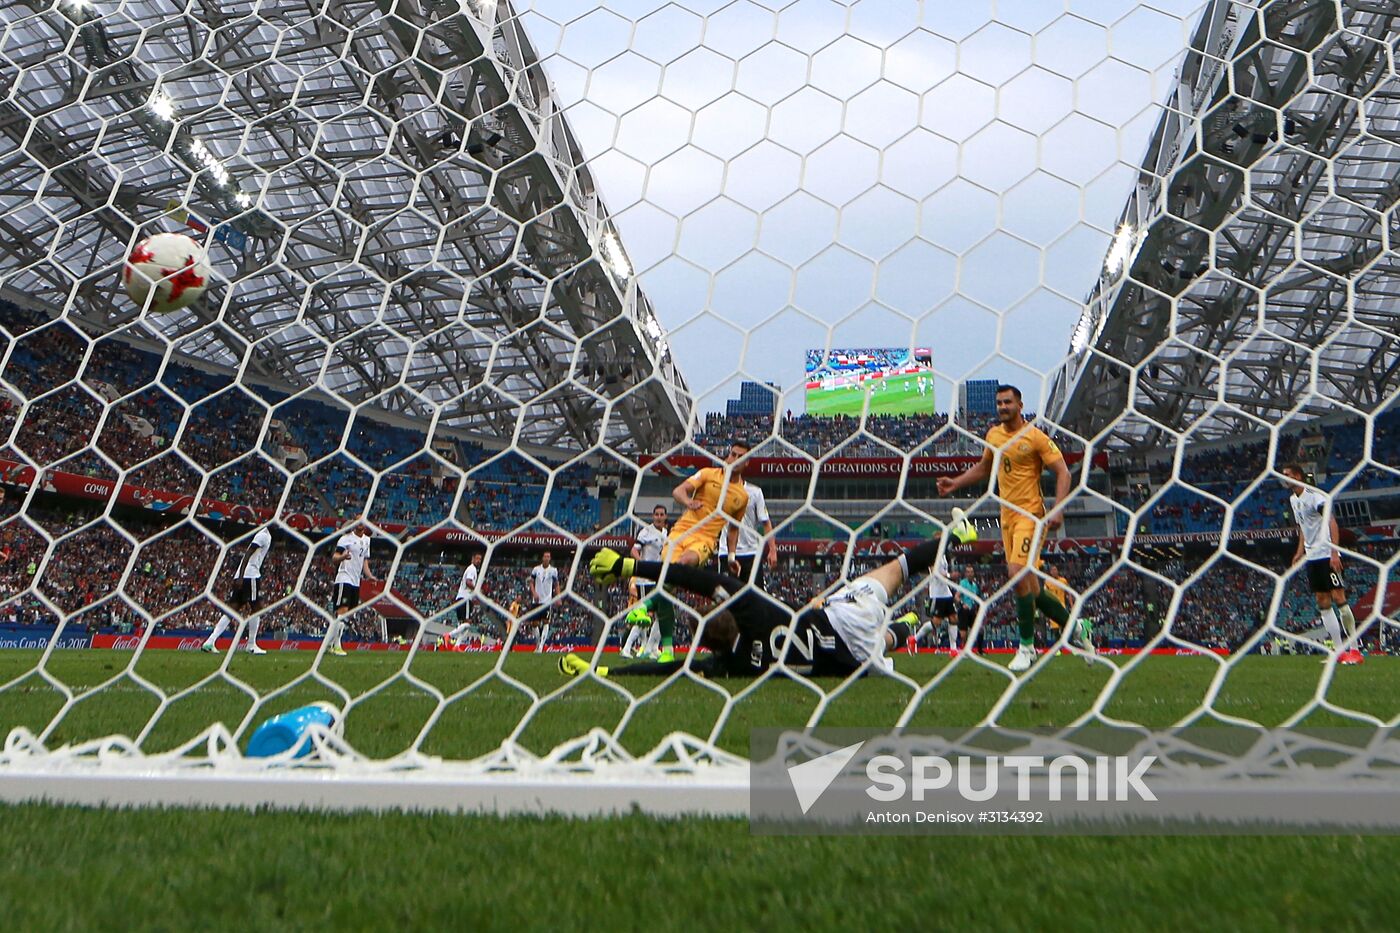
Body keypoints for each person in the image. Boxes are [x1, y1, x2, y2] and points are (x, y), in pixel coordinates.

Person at [562, 533, 972, 679]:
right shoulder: (751, 612)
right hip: (842, 618)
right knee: (895, 570)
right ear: (725, 616)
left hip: (853, 661)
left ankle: (909, 623)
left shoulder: (732, 666)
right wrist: (631, 566)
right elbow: (699, 579)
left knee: (883, 641)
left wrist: (608, 671)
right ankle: (956, 535)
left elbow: (669, 670)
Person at [937, 385, 1072, 673]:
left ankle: (1026, 647)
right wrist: (956, 483)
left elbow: (1063, 471)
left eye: (1008, 402)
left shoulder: (1035, 437)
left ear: (1020, 405)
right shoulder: (994, 435)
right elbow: (986, 468)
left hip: (1031, 516)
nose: (1002, 407)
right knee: (1031, 589)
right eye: (999, 403)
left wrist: (1059, 508)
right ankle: (1076, 628)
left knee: (1017, 573)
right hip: (1006, 518)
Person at [628, 440, 751, 663]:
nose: (734, 459)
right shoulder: (707, 474)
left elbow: (733, 529)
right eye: (732, 454)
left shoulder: (741, 496)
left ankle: (644, 607)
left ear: (746, 462)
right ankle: (667, 650)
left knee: (682, 565)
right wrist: (688, 502)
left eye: (740, 456)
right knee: (669, 584)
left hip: (705, 540)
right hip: (681, 532)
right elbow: (679, 491)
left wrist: (732, 556)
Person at [1282, 463, 1362, 664]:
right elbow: (1302, 527)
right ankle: (1337, 650)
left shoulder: (1315, 496)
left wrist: (1335, 552)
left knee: (1339, 597)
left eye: (1288, 475)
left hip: (1327, 554)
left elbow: (1332, 522)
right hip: (1312, 557)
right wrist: (1299, 552)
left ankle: (1355, 650)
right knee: (1322, 601)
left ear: (1298, 476)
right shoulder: (1293, 500)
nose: (1284, 478)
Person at [201, 524, 272, 655]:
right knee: (256, 609)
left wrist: (239, 575)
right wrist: (241, 576)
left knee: (232, 610)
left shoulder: (266, 535)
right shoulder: (263, 536)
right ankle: (251, 645)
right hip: (250, 576)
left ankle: (210, 641)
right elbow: (248, 553)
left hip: (243, 575)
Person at [623, 505, 668, 659]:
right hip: (646, 581)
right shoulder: (646, 532)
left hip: (658, 579)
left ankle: (652, 647)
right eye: (656, 514)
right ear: (653, 516)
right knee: (646, 615)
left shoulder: (666, 534)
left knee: (661, 615)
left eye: (662, 514)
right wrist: (642, 564)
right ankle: (628, 647)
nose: (659, 517)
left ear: (665, 517)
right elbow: (633, 551)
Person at [328, 523, 375, 656]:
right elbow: (335, 557)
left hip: (356, 581)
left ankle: (329, 643)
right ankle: (336, 646)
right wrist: (343, 557)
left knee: (346, 614)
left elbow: (364, 561)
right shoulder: (346, 538)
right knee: (342, 612)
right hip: (344, 578)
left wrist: (369, 575)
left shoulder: (367, 541)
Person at [913, 555, 956, 654]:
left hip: (946, 593)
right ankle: (914, 639)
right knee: (936, 622)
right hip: (937, 594)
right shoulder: (932, 556)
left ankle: (953, 649)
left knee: (953, 618)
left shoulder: (944, 556)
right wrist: (949, 575)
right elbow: (935, 573)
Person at [443, 552, 482, 647]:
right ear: (472, 559)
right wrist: (477, 590)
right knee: (468, 623)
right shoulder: (472, 569)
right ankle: (449, 635)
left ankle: (456, 646)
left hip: (460, 598)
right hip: (466, 598)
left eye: (480, 559)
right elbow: (469, 582)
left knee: (464, 624)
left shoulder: (471, 569)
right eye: (477, 558)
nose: (478, 561)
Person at [526, 551, 561, 653]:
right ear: (542, 558)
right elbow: (531, 583)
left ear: (550, 559)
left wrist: (558, 597)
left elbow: (556, 584)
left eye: (548, 556)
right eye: (545, 556)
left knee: (546, 622)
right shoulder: (536, 569)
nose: (546, 558)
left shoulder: (553, 570)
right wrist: (534, 593)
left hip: (547, 601)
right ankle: (538, 644)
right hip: (536, 600)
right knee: (534, 624)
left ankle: (541, 646)